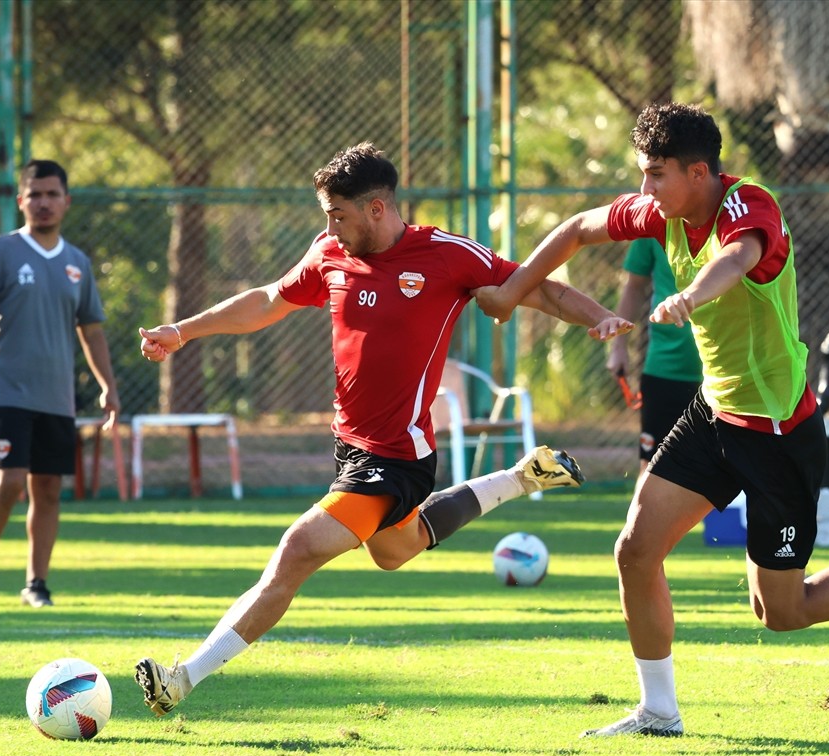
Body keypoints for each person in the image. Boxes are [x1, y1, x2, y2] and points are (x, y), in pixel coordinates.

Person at [474, 102, 829, 738]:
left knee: (783, 612)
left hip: (778, 434)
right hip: (714, 416)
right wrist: (512, 288)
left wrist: (689, 296)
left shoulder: (751, 205)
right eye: (642, 174)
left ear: (698, 172)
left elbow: (738, 258)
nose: (644, 190)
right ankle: (659, 712)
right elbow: (579, 229)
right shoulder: (661, 211)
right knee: (635, 550)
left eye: (655, 174)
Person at [132, 142, 633, 716]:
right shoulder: (329, 252)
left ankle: (182, 679)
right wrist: (183, 331)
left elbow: (538, 288)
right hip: (350, 447)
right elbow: (269, 299)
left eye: (338, 214)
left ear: (377, 209)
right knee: (396, 550)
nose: (329, 226)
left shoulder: (446, 255)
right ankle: (523, 478)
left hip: (397, 455)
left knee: (296, 551)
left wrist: (601, 317)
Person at [0, 159, 120, 608]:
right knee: (9, 480)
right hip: (6, 388)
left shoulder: (77, 263)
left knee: (47, 488)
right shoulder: (1, 250)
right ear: (22, 200)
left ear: (66, 201)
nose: (43, 203)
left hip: (56, 395)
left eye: (51, 194)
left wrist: (108, 385)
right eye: (35, 195)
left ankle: (36, 584)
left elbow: (92, 330)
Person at [607, 237, 702, 477]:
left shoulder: (736, 211)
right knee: (653, 468)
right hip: (666, 368)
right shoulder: (650, 218)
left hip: (729, 371)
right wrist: (618, 346)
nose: (649, 196)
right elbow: (634, 285)